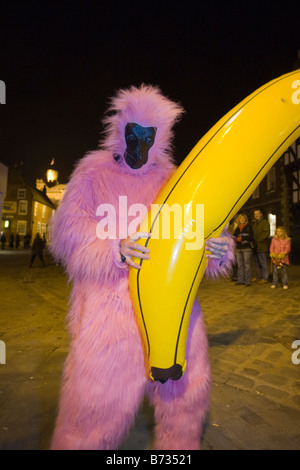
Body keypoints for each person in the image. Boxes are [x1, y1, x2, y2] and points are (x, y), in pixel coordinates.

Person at [49, 85, 234, 450]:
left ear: (159, 138)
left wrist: (217, 249)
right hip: (107, 316)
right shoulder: (91, 174)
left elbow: (196, 227)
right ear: (119, 131)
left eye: (146, 137)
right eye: (132, 135)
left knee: (185, 399)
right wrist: (112, 249)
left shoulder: (176, 181)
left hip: (173, 311)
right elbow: (68, 237)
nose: (138, 146)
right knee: (92, 409)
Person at [234, 213, 254, 286]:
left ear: (245, 219)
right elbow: (234, 237)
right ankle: (240, 280)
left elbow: (251, 237)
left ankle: (247, 281)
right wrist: (237, 239)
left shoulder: (249, 227)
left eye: (243, 218)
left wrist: (242, 238)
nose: (242, 220)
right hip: (238, 249)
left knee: (247, 265)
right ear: (239, 220)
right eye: (240, 218)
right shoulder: (237, 228)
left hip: (246, 248)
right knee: (240, 265)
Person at [252, 208, 270, 284]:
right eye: (255, 214)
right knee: (256, 263)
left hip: (262, 246)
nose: (256, 215)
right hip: (255, 246)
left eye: (258, 214)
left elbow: (266, 233)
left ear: (261, 214)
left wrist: (258, 239)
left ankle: (265, 278)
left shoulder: (264, 222)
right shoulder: (255, 223)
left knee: (263, 262)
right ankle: (258, 277)